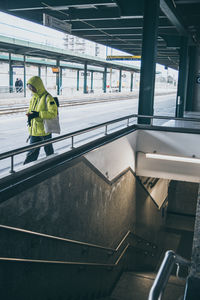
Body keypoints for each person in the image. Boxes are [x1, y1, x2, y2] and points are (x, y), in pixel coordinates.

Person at [23, 76, 58, 165]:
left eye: (32, 87)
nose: (31, 89)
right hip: (34, 131)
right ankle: (25, 172)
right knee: (32, 154)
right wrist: (30, 115)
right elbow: (31, 110)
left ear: (38, 86)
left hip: (45, 131)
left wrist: (38, 114)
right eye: (29, 87)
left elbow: (53, 113)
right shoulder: (33, 98)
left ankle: (53, 167)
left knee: (48, 152)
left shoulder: (48, 97)